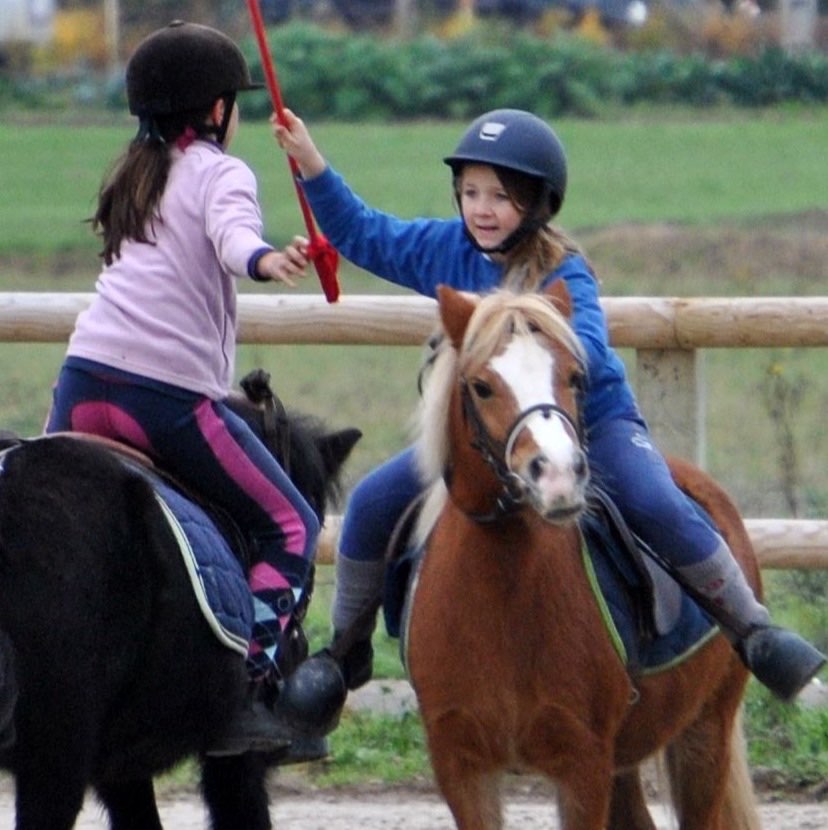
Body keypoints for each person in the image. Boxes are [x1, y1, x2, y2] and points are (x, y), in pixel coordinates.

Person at [275, 106, 826, 704]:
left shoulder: (565, 271)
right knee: (372, 503)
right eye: (471, 193)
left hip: (588, 423)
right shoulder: (443, 247)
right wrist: (310, 161)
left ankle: (753, 631)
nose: (482, 209)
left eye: (501, 196)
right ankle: (344, 651)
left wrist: (526, 346)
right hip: (489, 433)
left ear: (537, 203)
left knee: (654, 499)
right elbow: (361, 232)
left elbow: (584, 341)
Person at [46, 21, 325, 755]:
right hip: (162, 399)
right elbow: (234, 238)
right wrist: (266, 261)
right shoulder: (220, 171)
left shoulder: (133, 173)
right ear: (217, 109)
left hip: (82, 382)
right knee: (293, 528)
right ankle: (245, 689)